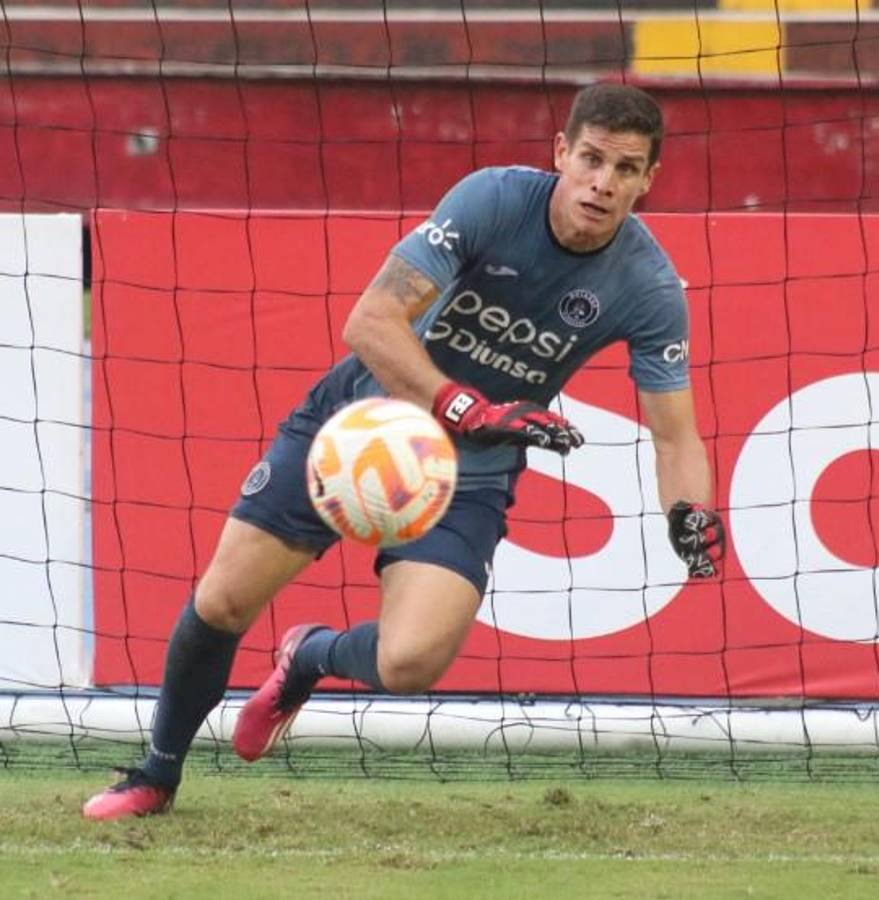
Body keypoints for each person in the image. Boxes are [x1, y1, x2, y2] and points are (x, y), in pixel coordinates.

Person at [82, 82, 725, 820]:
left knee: (411, 661)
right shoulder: (490, 200)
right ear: (560, 155)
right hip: (358, 430)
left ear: (648, 181)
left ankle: (310, 656)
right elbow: (370, 320)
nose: (602, 183)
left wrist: (689, 513)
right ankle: (156, 776)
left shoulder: (647, 286)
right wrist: (461, 403)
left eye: (624, 169)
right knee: (224, 598)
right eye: (591, 160)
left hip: (468, 472)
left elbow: (675, 433)